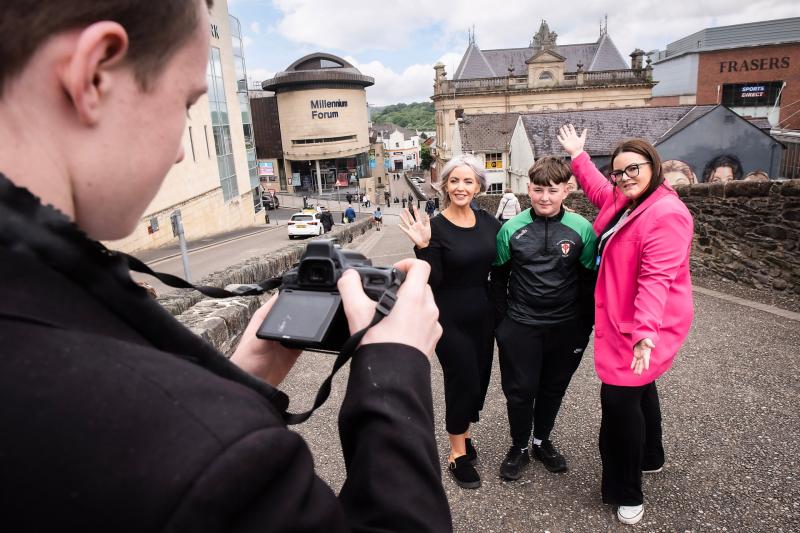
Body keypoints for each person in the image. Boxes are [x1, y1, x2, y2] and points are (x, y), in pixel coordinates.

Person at [0, 1, 452, 531]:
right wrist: (395, 371)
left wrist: (241, 382)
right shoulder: (205, 453)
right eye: (186, 100)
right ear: (95, 74)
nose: (176, 153)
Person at [557, 124, 694, 526]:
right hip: (624, 315)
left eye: (633, 169)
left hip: (642, 323)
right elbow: (601, 192)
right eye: (619, 172)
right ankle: (652, 456)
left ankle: (626, 490)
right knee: (640, 388)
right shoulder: (628, 199)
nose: (624, 178)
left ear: (653, 166)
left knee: (618, 404)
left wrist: (644, 335)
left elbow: (656, 280)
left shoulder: (667, 215)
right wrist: (579, 156)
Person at [398, 154, 501, 490]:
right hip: (448, 317)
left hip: (483, 314)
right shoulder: (435, 228)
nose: (460, 187)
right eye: (454, 180)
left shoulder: (489, 222)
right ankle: (457, 453)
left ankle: (465, 435)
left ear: (479, 186)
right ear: (443, 185)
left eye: (468, 181)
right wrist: (424, 246)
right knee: (464, 380)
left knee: (480, 380)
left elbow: (505, 262)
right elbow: (434, 280)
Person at [491, 157, 597, 482]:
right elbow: (498, 279)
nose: (545, 198)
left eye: (552, 190)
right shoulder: (511, 229)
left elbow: (588, 281)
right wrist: (502, 326)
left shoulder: (582, 229)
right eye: (538, 190)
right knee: (520, 390)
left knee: (553, 388)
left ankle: (541, 441)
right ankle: (519, 446)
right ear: (528, 189)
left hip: (565, 327)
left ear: (567, 190)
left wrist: (584, 327)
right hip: (521, 324)